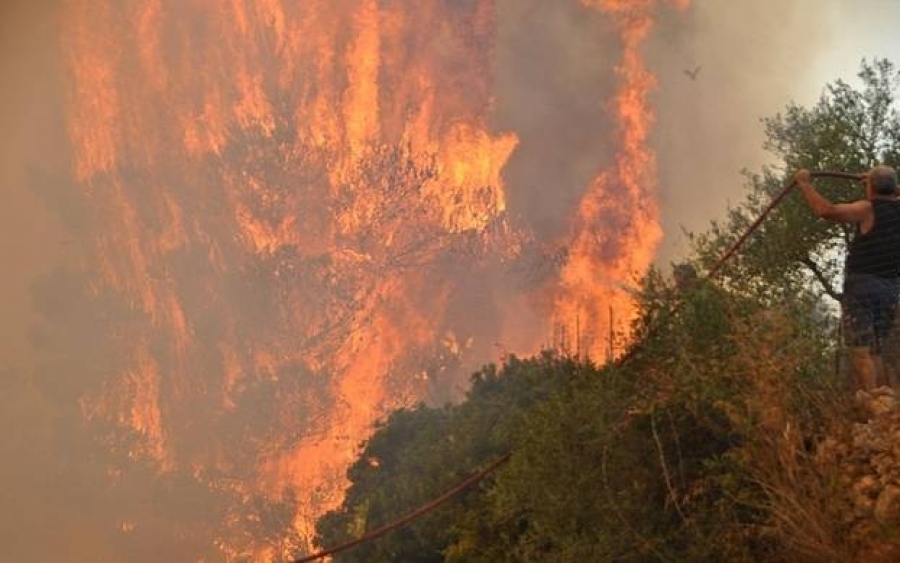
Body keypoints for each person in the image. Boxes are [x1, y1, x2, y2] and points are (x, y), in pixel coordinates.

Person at [795, 166, 900, 390]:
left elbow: (826, 210)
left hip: (862, 285)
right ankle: (884, 401)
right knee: (877, 351)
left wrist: (805, 184)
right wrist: (880, 184)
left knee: (862, 349)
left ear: (870, 187)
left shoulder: (867, 208)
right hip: (890, 288)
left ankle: (874, 402)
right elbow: (891, 192)